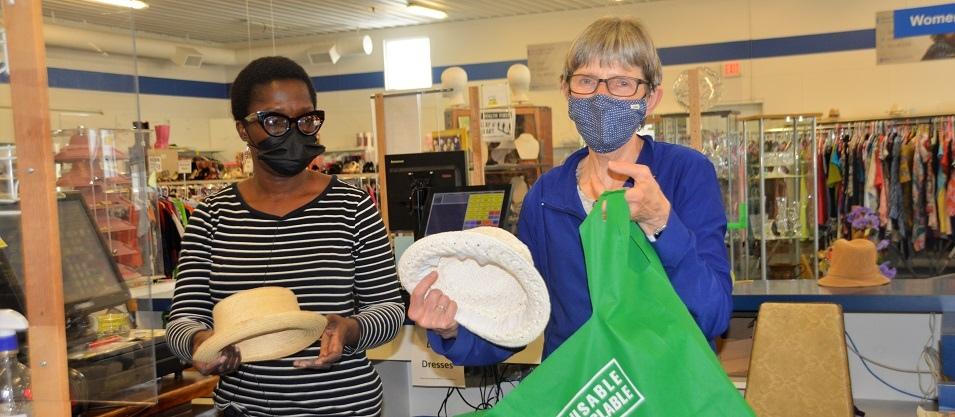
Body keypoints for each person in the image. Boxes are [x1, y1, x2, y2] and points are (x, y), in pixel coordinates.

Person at [409, 17, 732, 365]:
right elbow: (522, 318)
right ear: (566, 90)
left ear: (651, 98)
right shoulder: (548, 196)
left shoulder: (683, 174)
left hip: (663, 393)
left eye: (622, 83)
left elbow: (712, 314)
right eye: (587, 81)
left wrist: (662, 223)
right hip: (579, 393)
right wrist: (451, 330)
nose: (601, 97)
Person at [165, 56, 405, 416]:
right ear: (243, 130)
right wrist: (203, 344)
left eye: (305, 119)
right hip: (244, 408)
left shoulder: (353, 207)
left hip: (343, 407)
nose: (294, 132)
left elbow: (390, 309)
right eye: (274, 120)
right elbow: (183, 319)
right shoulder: (212, 218)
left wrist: (351, 329)